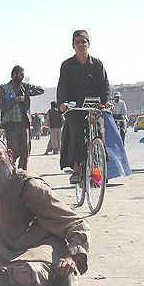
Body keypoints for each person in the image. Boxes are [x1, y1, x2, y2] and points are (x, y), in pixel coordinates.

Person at [0, 133, 90, 286]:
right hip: (11, 262)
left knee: (23, 273)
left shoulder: (29, 186)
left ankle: (62, 283)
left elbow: (76, 223)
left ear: (9, 155)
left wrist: (70, 257)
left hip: (43, 254)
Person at [57, 30, 110, 184]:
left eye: (83, 42)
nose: (81, 45)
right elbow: (62, 86)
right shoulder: (67, 65)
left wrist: (105, 102)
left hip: (93, 106)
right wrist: (63, 103)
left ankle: (99, 167)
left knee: (99, 131)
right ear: (73, 45)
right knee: (75, 131)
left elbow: (105, 86)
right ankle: (76, 169)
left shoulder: (97, 65)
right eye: (77, 42)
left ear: (89, 44)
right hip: (74, 108)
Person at [0, 65, 44, 170]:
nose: (23, 77)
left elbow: (41, 90)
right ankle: (12, 172)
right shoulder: (4, 88)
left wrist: (28, 93)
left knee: (25, 150)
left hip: (23, 123)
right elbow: (2, 106)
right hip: (11, 124)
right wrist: (15, 100)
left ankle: (22, 172)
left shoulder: (24, 86)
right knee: (13, 150)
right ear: (14, 74)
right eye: (21, 74)